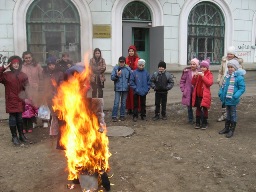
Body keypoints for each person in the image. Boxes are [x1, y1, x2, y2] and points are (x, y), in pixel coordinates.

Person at [0, 56, 28, 145]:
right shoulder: (6, 75)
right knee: (12, 119)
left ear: (19, 64)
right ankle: (14, 137)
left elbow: (27, 87)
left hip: (20, 100)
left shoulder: (23, 75)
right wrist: (3, 68)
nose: (15, 65)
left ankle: (21, 135)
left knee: (20, 119)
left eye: (17, 63)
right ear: (11, 64)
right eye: (13, 63)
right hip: (11, 100)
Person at [218, 59, 246, 138]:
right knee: (228, 114)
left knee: (233, 114)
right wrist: (220, 93)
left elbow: (242, 88)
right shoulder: (227, 76)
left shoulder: (239, 77)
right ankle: (226, 128)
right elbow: (223, 86)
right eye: (229, 67)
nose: (230, 69)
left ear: (236, 68)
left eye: (232, 67)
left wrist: (236, 95)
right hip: (226, 99)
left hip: (233, 99)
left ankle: (231, 130)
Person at [216, 46, 244, 122]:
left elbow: (240, 73)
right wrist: (219, 79)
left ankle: (230, 116)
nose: (229, 55)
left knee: (230, 100)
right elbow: (221, 71)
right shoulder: (224, 60)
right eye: (228, 54)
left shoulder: (237, 62)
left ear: (234, 54)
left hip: (232, 83)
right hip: (224, 81)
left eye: (231, 54)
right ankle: (224, 115)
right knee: (223, 99)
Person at [41, 56, 64, 134]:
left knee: (59, 112)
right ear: (47, 65)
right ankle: (53, 130)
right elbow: (43, 84)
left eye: (53, 64)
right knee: (52, 113)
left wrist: (58, 91)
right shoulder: (44, 73)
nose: (52, 66)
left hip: (58, 96)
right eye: (50, 65)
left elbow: (61, 83)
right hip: (48, 95)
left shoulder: (60, 73)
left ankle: (60, 128)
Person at [21, 51, 43, 127]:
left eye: (29, 57)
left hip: (36, 88)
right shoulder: (22, 67)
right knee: (28, 106)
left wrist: (40, 86)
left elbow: (41, 76)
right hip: (26, 89)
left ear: (32, 57)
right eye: (26, 58)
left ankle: (36, 120)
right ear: (23, 58)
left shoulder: (37, 66)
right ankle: (31, 121)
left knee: (35, 104)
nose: (28, 59)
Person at [191, 59, 213, 129]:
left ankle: (204, 122)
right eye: (201, 67)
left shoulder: (209, 74)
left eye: (204, 67)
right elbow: (193, 83)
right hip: (198, 94)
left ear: (207, 68)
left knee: (205, 108)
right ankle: (198, 122)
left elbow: (209, 83)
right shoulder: (198, 73)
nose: (202, 68)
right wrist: (195, 77)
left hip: (205, 95)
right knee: (198, 108)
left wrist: (203, 76)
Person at [110, 56, 131, 122]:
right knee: (116, 102)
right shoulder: (115, 68)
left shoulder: (128, 69)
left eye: (123, 62)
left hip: (125, 88)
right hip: (118, 88)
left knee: (123, 103)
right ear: (118, 62)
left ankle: (122, 115)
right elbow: (112, 77)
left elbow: (131, 77)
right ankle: (114, 116)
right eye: (120, 62)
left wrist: (129, 83)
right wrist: (117, 75)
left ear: (125, 62)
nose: (121, 63)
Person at [179, 58, 199, 124]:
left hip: (196, 92)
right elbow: (182, 81)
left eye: (194, 64)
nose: (192, 65)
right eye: (191, 64)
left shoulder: (199, 72)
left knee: (198, 105)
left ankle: (198, 118)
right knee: (189, 106)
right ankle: (191, 119)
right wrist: (183, 89)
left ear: (197, 65)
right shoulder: (187, 72)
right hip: (188, 92)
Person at [125, 45, 140, 114]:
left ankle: (136, 108)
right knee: (128, 94)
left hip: (135, 79)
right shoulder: (126, 59)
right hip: (128, 79)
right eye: (130, 51)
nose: (131, 52)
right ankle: (129, 108)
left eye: (132, 51)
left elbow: (139, 68)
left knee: (135, 93)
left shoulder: (137, 59)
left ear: (134, 51)